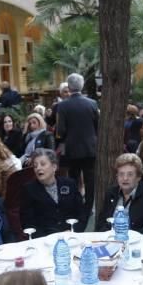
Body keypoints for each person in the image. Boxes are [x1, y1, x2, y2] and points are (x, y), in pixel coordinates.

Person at [56, 73, 99, 216]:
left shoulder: (63, 106)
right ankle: (88, 207)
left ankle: (76, 205)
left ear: (69, 87)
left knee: (73, 179)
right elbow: (97, 125)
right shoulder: (92, 103)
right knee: (90, 180)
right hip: (90, 148)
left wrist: (63, 139)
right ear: (82, 86)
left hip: (72, 149)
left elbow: (60, 130)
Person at [20, 148, 85, 237]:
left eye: (42, 164)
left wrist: (73, 231)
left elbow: (81, 214)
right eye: (35, 166)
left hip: (72, 236)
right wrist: (49, 238)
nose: (38, 168)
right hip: (44, 241)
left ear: (54, 167)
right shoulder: (29, 190)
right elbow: (27, 223)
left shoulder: (69, 184)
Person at [95, 154, 143, 233]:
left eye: (130, 174)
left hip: (136, 242)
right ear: (117, 176)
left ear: (138, 177)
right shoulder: (111, 193)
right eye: (121, 174)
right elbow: (101, 223)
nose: (125, 178)